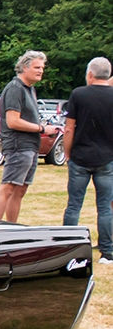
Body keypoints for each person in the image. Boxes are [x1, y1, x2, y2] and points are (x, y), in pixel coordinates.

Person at [61, 56, 113, 264]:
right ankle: (108, 252)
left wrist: (67, 153)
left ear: (89, 75)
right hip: (107, 158)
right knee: (105, 207)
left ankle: (67, 248)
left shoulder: (79, 95)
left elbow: (69, 127)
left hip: (81, 157)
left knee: (74, 204)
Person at [0, 50, 49, 222]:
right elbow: (12, 121)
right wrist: (41, 128)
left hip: (30, 146)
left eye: (42, 68)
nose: (40, 71)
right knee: (8, 186)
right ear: (24, 67)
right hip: (18, 145)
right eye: (37, 67)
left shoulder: (30, 89)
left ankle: (12, 228)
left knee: (20, 189)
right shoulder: (15, 88)